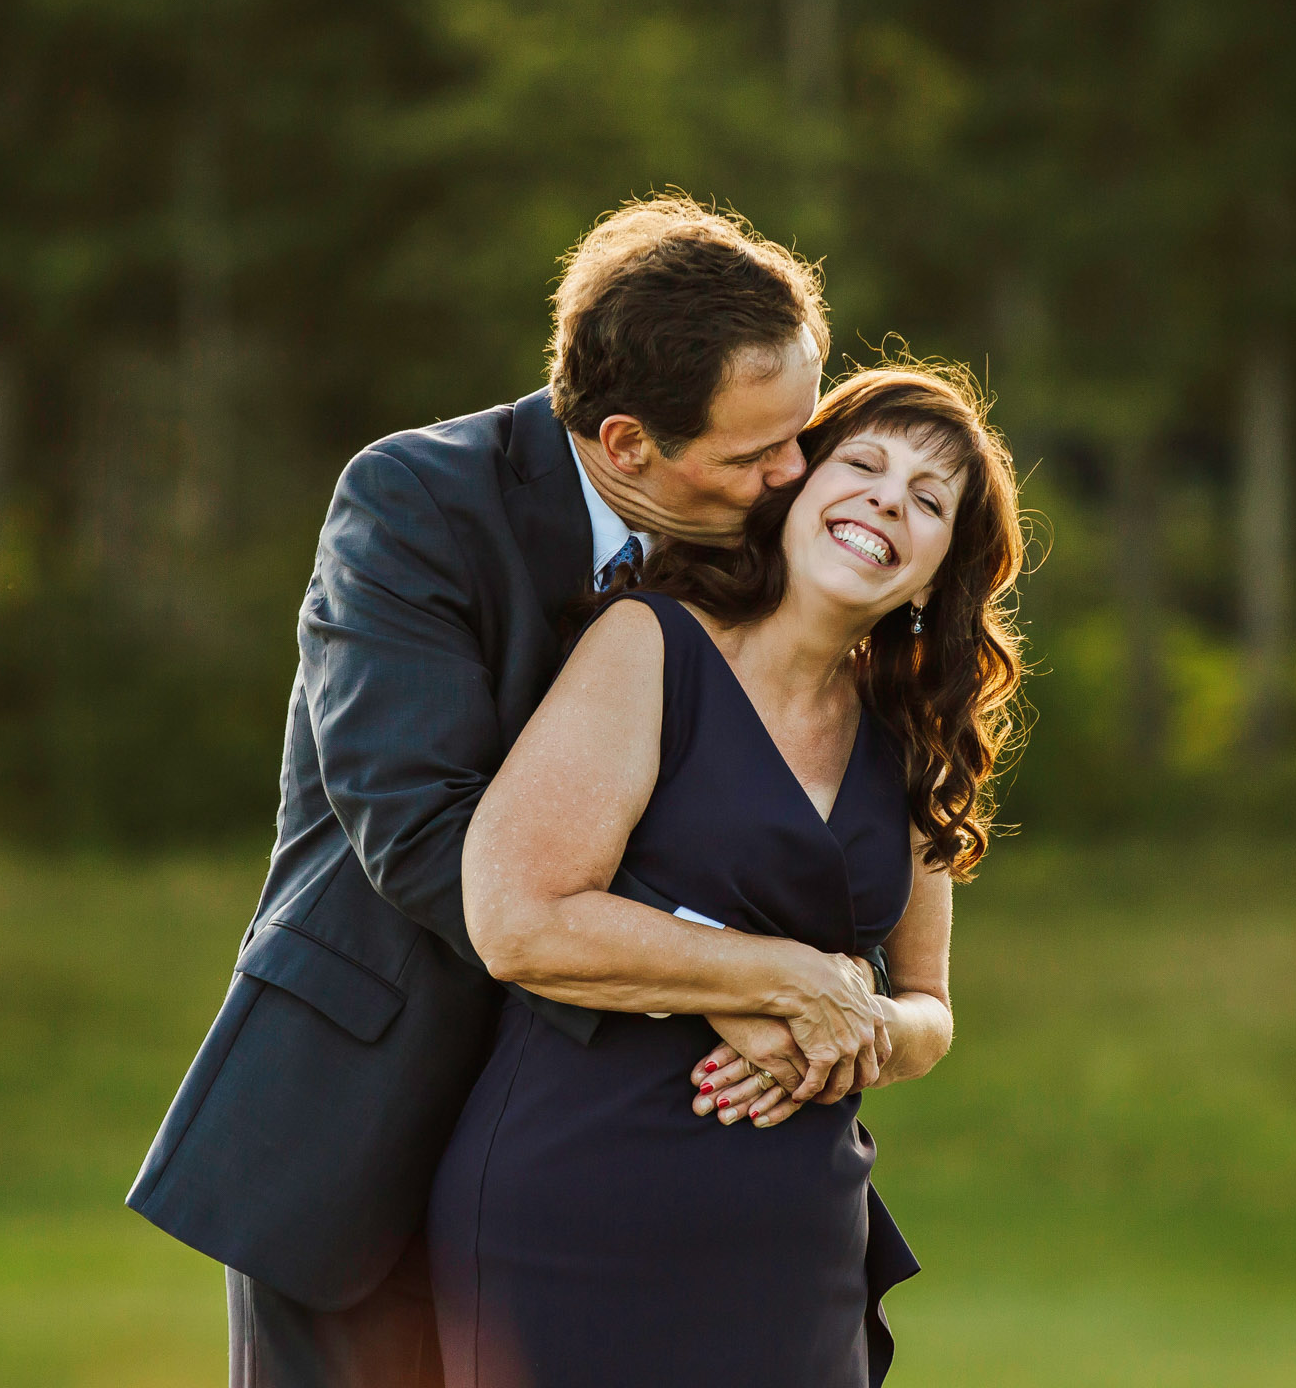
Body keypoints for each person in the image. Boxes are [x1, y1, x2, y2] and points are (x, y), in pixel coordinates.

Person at [128, 194, 866, 1387]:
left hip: (619, 1165)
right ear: (627, 444)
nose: (795, 475)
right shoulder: (414, 504)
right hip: (375, 1117)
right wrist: (721, 976)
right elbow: (419, 829)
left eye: (802, 431)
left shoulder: (766, 532)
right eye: (753, 453)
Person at [431, 364, 1026, 1388]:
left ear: (933, 574)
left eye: (929, 501)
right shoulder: (648, 645)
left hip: (795, 1253)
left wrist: (851, 1025)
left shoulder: (910, 737)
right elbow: (520, 919)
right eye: (865, 464)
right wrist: (785, 979)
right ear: (794, 487)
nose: (890, 497)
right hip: (575, 1216)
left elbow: (927, 1008)